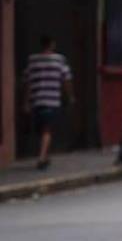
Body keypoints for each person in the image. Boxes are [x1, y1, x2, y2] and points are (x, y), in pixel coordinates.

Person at [22, 35, 74, 170]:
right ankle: (41, 157)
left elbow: (27, 82)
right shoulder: (59, 60)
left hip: (37, 100)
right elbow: (66, 79)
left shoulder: (32, 60)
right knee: (47, 130)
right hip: (52, 100)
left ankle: (44, 155)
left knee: (42, 130)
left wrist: (26, 102)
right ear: (52, 44)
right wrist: (70, 96)